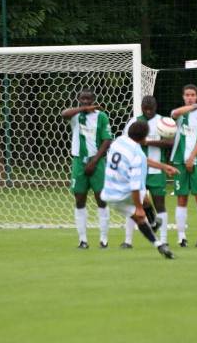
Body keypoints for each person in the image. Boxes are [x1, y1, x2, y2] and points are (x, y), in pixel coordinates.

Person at [101, 121, 178, 259]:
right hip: (124, 193)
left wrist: (163, 167)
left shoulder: (119, 141)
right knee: (140, 211)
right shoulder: (137, 155)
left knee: (140, 212)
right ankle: (153, 223)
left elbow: (143, 159)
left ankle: (158, 243)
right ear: (144, 137)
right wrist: (139, 207)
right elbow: (135, 186)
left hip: (108, 193)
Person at [61, 88, 113, 249]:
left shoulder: (101, 117)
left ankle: (103, 240)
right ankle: (83, 240)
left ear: (93, 100)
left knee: (101, 199)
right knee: (79, 199)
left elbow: (106, 140)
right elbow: (64, 114)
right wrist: (84, 109)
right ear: (79, 99)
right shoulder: (75, 115)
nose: (85, 101)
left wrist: (94, 161)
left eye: (88, 99)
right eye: (82, 99)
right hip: (78, 161)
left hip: (96, 162)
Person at [120, 96, 174, 248]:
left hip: (156, 170)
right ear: (142, 107)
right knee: (133, 204)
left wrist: (148, 142)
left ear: (156, 107)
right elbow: (126, 142)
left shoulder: (164, 122)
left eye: (151, 108)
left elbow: (170, 142)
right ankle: (128, 241)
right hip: (138, 170)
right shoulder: (134, 122)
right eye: (146, 108)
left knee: (159, 204)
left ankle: (163, 240)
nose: (148, 111)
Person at [170, 84, 197, 247]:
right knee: (181, 198)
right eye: (187, 95)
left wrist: (192, 158)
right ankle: (181, 237)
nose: (189, 97)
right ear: (183, 97)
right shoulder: (180, 114)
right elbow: (174, 113)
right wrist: (193, 106)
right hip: (179, 161)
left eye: (193, 95)